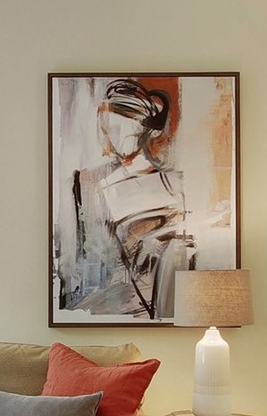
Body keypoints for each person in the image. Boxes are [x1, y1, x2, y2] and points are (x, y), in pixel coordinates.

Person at [62, 78, 193, 319]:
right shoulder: (91, 184)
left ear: (145, 127)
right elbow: (83, 259)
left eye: (120, 127)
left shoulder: (175, 185)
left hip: (157, 308)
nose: (111, 138)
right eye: (107, 128)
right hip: (109, 303)